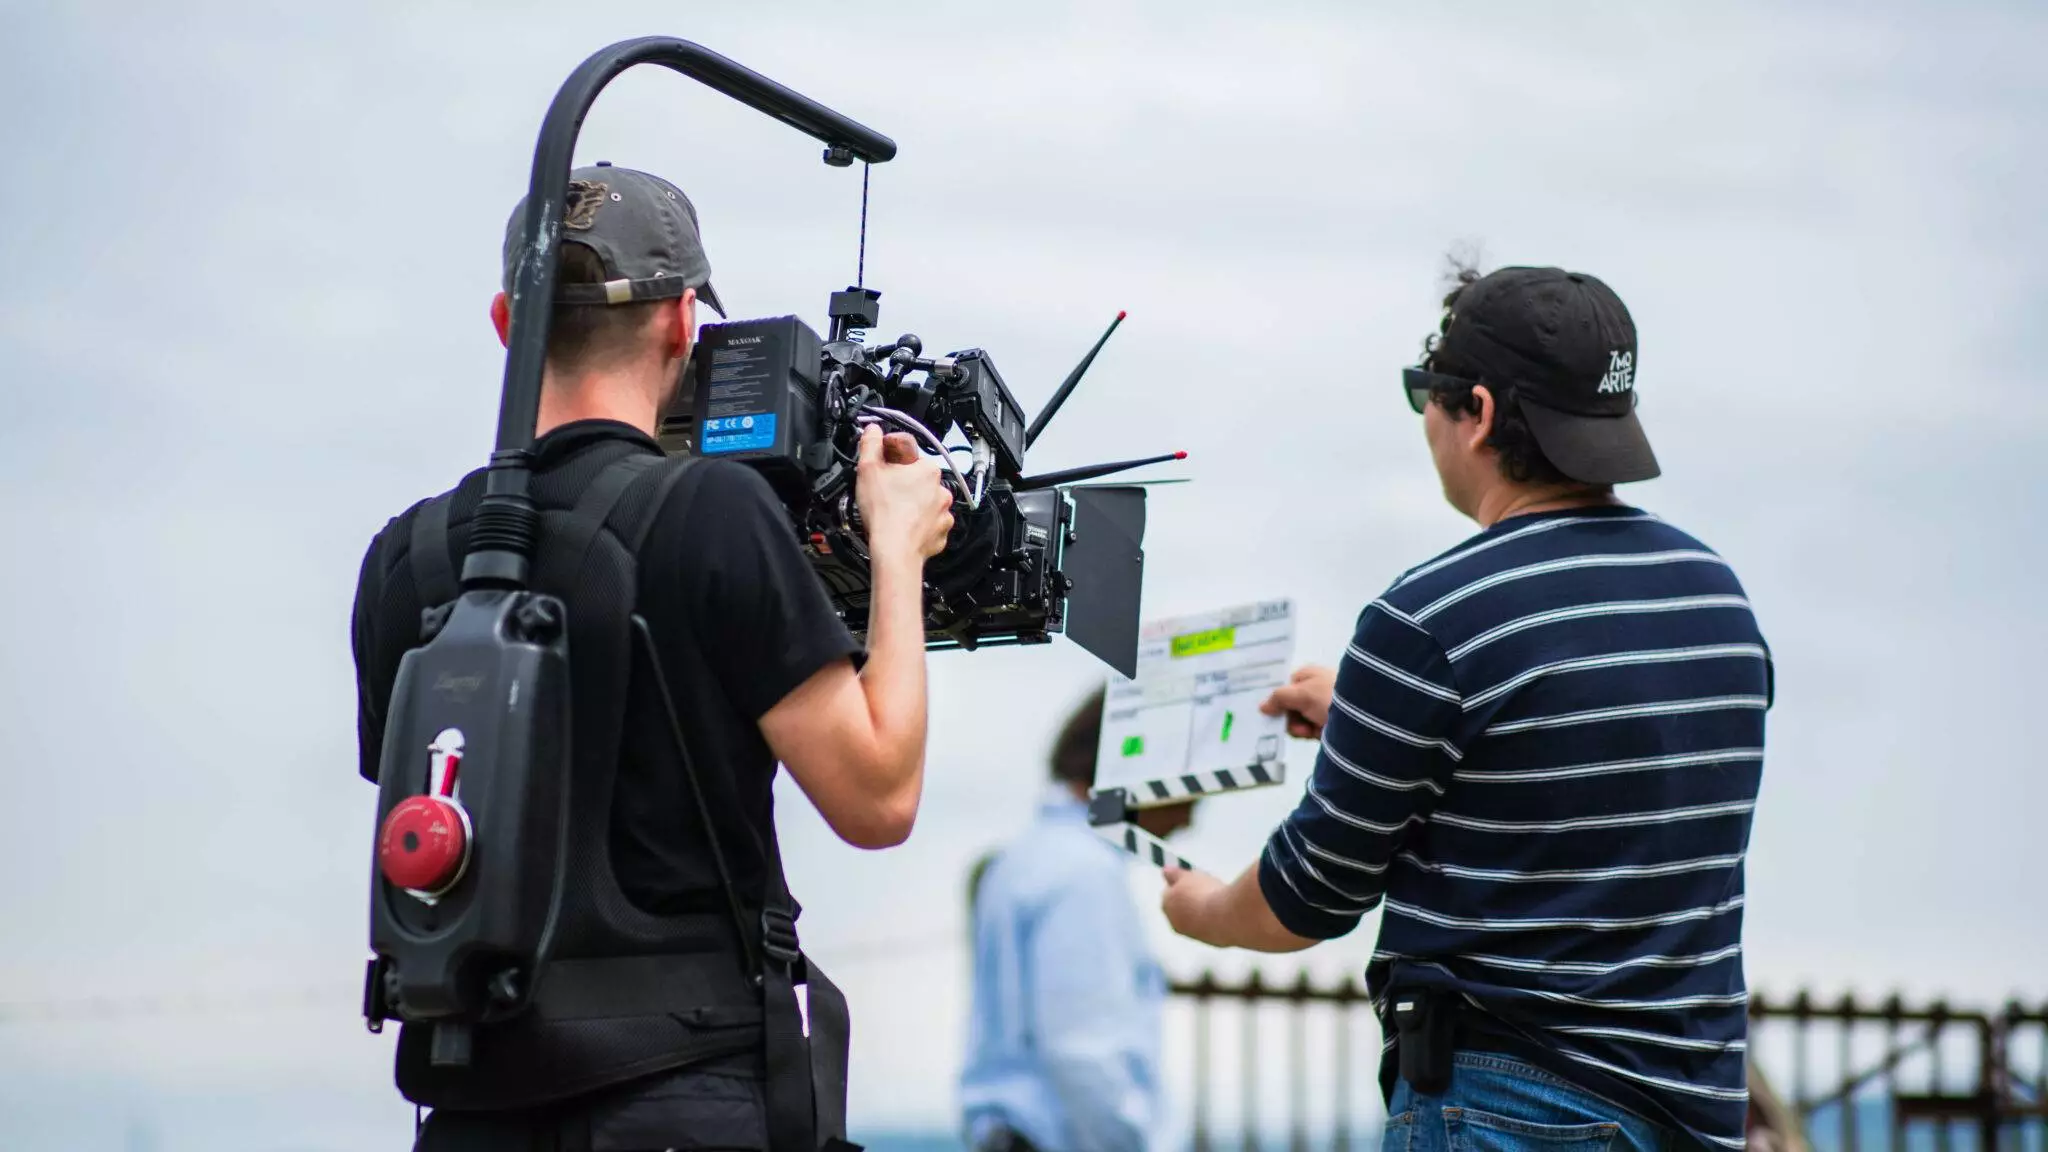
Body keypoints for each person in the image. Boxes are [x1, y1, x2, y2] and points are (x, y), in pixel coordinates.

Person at [350, 164, 956, 1150]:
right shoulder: (711, 515)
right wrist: (894, 554)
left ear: (509, 322)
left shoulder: (404, 559)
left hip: (468, 1108)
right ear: (684, 323)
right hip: (682, 1096)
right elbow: (876, 798)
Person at [1158, 264, 1773, 1152]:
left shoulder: (1430, 620)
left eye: (1427, 396)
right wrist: (1370, 723)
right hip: (1696, 1108)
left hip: (1510, 1112)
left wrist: (1205, 909)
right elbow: (1589, 779)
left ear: (1475, 412)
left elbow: (1311, 893)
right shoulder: (1717, 601)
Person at [958, 688, 1197, 1152]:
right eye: (1191, 784)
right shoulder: (1083, 872)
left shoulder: (1026, 857)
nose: (1188, 816)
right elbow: (1084, 1055)